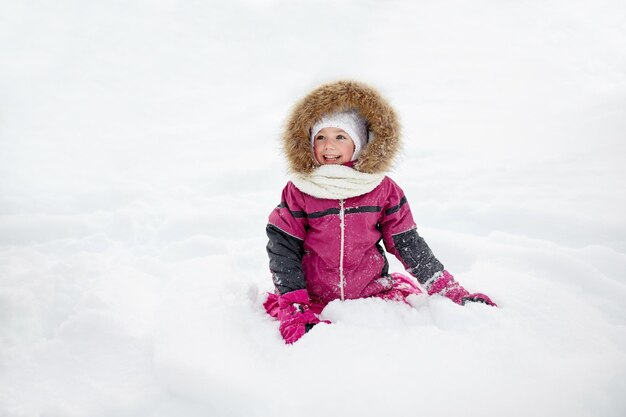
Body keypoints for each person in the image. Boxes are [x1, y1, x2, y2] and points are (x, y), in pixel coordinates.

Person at [263, 80, 496, 344]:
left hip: (371, 299)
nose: (329, 146)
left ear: (359, 143)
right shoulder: (301, 190)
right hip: (315, 299)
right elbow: (283, 249)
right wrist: (294, 306)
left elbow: (407, 244)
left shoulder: (381, 189)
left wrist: (448, 289)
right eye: (321, 137)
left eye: (340, 136)